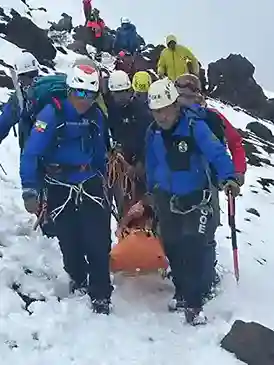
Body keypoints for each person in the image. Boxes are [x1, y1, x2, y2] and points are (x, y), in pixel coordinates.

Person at [131, 79, 240, 325]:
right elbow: (152, 163)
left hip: (196, 200)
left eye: (165, 110)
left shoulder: (195, 127)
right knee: (172, 247)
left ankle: (194, 304)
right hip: (166, 199)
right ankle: (182, 293)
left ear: (175, 105)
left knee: (192, 247)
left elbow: (216, 152)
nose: (161, 116)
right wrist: (151, 191)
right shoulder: (153, 132)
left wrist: (229, 178)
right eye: (156, 111)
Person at [20, 64, 113, 314]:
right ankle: (78, 277)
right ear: (70, 90)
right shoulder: (51, 115)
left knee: (98, 239)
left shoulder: (96, 116)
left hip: (90, 182)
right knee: (69, 237)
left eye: (90, 95)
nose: (85, 100)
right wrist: (30, 190)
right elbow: (31, 153)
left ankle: (101, 293)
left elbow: (100, 150)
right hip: (59, 184)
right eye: (80, 93)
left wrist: (104, 178)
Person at [105, 70, 153, 217]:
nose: (120, 97)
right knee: (122, 203)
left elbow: (149, 141)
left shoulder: (142, 112)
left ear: (130, 90)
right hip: (121, 163)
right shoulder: (112, 109)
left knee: (143, 204)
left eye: (123, 92)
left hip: (140, 164)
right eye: (116, 93)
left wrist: (141, 162)